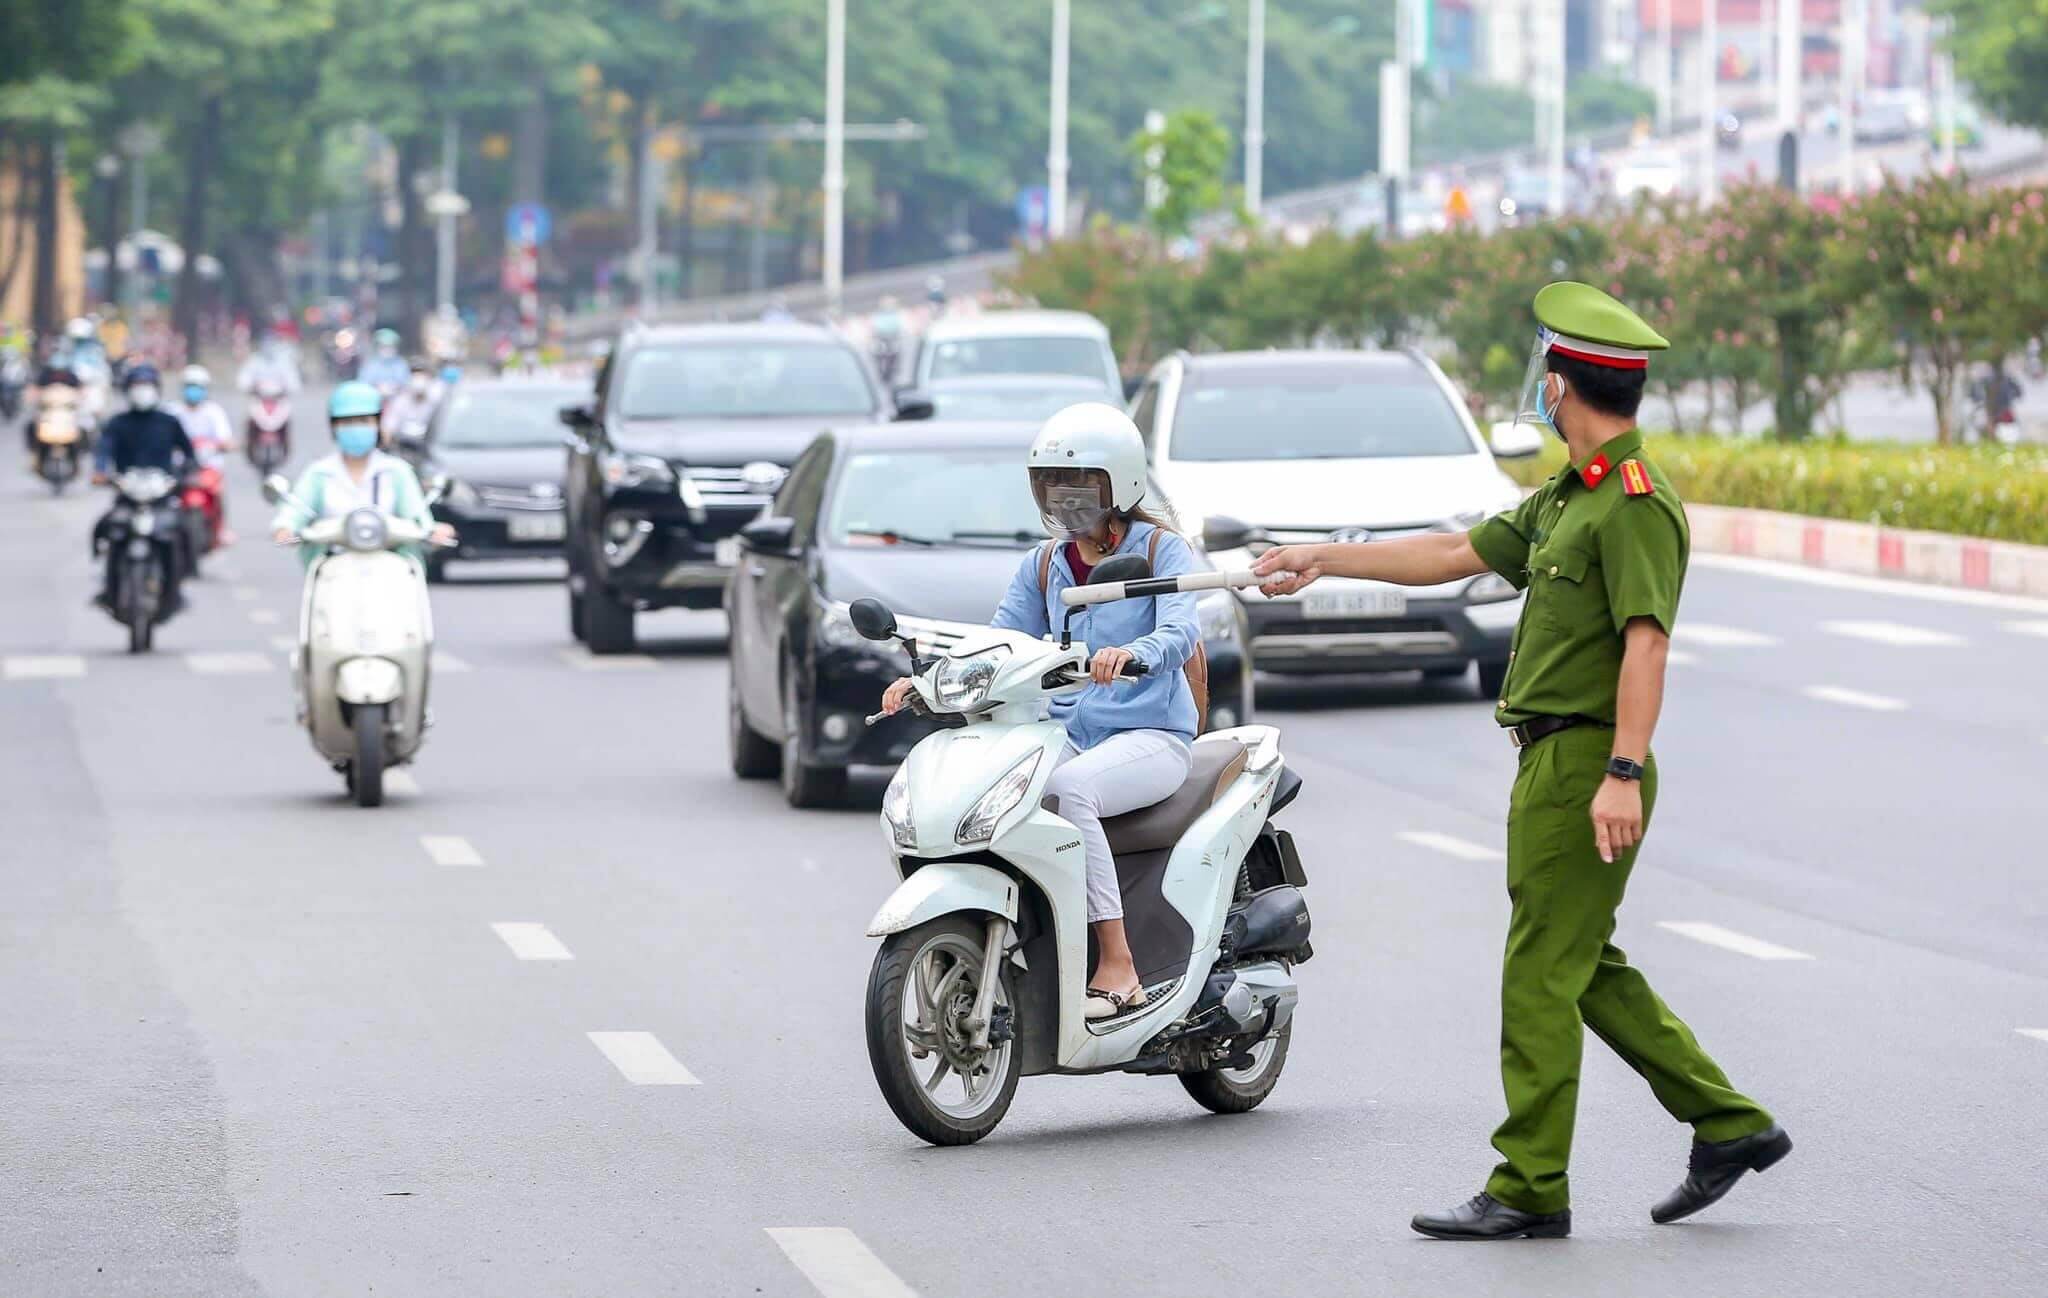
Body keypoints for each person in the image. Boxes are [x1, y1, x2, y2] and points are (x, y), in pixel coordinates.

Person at [1254, 282, 1788, 1240]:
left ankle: (1530, 1184)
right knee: (1580, 964)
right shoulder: (1568, 496)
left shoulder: (1633, 505)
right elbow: (1456, 551)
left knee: (1540, 972)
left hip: (1587, 761)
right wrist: (1323, 557)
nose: (1540, 389)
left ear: (1562, 384)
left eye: (1545, 373)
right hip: (1551, 762)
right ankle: (1729, 1122)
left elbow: (1646, 643)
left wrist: (1623, 773)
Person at [877, 403, 1201, 1019]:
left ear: (1119, 483)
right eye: (1050, 483)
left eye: (1077, 485)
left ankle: (1119, 962)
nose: (1063, 498)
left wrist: (1134, 653)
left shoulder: (1162, 552)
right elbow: (999, 642)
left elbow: (1181, 630)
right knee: (1000, 785)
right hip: (1070, 729)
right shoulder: (1045, 563)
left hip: (1150, 733)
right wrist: (927, 681)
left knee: (1071, 791)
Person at [269, 381, 453, 565]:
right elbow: (296, 510)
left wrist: (434, 532)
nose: (356, 428)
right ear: (334, 426)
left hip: (390, 569)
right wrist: (285, 528)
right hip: (332, 568)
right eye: (348, 422)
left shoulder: (397, 471)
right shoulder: (319, 473)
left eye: (364, 421)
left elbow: (417, 516)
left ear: (378, 424)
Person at [92, 364, 198, 611]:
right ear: (127, 390)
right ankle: (109, 588)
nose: (142, 392)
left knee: (181, 530)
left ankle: (176, 586)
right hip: (128, 493)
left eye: (146, 387)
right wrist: (100, 471)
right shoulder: (117, 423)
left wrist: (188, 473)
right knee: (107, 527)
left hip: (161, 494)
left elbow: (189, 454)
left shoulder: (169, 422)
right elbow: (103, 450)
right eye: (137, 387)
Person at [173, 365, 236, 544]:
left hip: (208, 466)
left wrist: (224, 445)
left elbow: (225, 438)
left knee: (217, 492)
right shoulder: (173, 412)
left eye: (198, 386)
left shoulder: (213, 412)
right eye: (190, 386)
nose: (193, 391)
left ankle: (221, 528)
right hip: (180, 467)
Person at [380, 357, 442, 442]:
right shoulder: (401, 400)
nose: (419, 379)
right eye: (415, 375)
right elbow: (388, 426)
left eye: (423, 375)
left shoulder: (438, 399)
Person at [358, 328, 409, 394]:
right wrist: (377, 387)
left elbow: (405, 382)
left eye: (390, 347)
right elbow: (363, 383)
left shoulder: (401, 364)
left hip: (396, 397)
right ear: (378, 348)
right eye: (384, 347)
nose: (387, 350)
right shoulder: (371, 364)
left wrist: (394, 387)